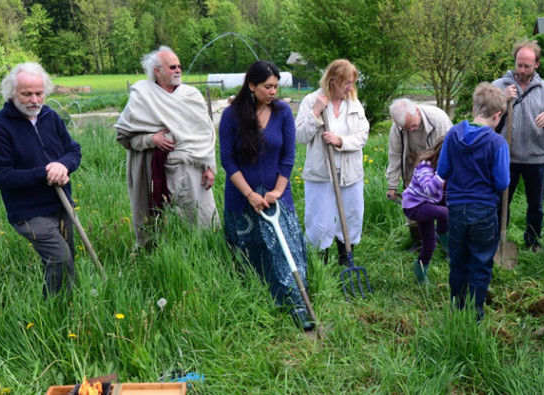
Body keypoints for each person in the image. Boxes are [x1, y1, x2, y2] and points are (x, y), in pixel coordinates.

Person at [219, 60, 313, 330]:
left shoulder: (283, 112)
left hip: (276, 195)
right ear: (251, 86)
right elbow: (227, 160)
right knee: (251, 251)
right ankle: (255, 300)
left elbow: (288, 156)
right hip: (242, 196)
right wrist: (249, 194)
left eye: (275, 86)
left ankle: (296, 302)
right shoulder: (232, 115)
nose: (273, 91)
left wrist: (279, 191)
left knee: (285, 250)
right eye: (267, 87)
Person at [0, 62, 82, 297]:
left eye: (39, 93)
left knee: (69, 257)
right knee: (59, 257)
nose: (35, 100)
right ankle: (53, 309)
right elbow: (0, 176)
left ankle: (72, 305)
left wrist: (63, 165)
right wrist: (45, 173)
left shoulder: (50, 117)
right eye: (26, 94)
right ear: (11, 94)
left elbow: (73, 151)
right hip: (29, 211)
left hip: (62, 204)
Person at [114, 46, 218, 250]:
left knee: (201, 220)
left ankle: (206, 253)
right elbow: (124, 137)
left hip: (191, 168)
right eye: (172, 67)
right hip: (153, 171)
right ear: (157, 71)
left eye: (179, 66)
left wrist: (209, 166)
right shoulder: (142, 96)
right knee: (156, 225)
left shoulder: (191, 95)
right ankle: (158, 258)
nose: (178, 70)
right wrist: (151, 139)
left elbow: (205, 134)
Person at [438, 82, 511, 321]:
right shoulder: (497, 143)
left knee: (458, 261)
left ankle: (457, 310)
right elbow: (502, 183)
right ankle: (475, 315)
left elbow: (443, 170)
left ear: (474, 109)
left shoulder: (453, 134)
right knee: (480, 263)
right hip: (484, 211)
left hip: (456, 209)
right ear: (497, 115)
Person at [492, 40, 544, 253]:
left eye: (527, 66)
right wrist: (502, 102)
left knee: (536, 206)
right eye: (519, 65)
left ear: (537, 65)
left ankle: (532, 242)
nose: (522, 70)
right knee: (500, 203)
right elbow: (485, 117)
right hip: (506, 157)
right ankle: (498, 241)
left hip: (535, 157)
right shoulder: (499, 86)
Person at [295, 59, 370, 265]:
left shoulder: (353, 104)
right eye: (347, 83)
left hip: (350, 173)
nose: (350, 88)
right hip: (321, 174)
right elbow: (300, 136)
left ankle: (346, 258)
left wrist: (341, 141)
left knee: (353, 215)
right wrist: (315, 113)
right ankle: (321, 264)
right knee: (320, 220)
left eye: (352, 83)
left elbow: (363, 135)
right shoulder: (312, 101)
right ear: (333, 80)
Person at [386, 98, 452, 252]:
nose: (411, 130)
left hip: (437, 163)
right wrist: (392, 185)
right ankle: (419, 241)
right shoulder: (397, 127)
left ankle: (447, 244)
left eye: (413, 125)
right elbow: (395, 155)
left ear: (416, 111)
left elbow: (448, 151)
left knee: (443, 203)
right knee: (414, 202)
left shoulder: (438, 120)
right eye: (406, 128)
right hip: (413, 163)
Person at [401, 139, 448, 285]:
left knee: (429, 244)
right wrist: (442, 173)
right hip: (414, 206)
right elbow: (429, 189)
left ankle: (420, 276)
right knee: (444, 212)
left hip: (427, 204)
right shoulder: (425, 167)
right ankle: (446, 240)